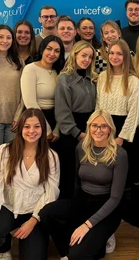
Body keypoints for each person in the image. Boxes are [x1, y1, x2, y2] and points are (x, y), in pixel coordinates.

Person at [39, 110, 128, 259]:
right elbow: (77, 182)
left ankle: (96, 239)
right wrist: (76, 218)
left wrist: (87, 225)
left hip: (107, 206)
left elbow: (115, 198)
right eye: (94, 125)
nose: (98, 130)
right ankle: (66, 253)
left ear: (110, 129)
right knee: (46, 213)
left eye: (103, 126)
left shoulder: (120, 154)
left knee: (80, 254)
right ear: (89, 127)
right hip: (83, 201)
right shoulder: (81, 147)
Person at [0, 108, 60, 260]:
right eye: (27, 126)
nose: (31, 131)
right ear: (20, 127)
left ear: (43, 128)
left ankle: (30, 239)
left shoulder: (51, 157)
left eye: (37, 126)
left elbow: (51, 193)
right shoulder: (4, 151)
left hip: (34, 212)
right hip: (9, 207)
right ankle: (6, 245)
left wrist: (33, 221)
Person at [96, 39, 139, 227]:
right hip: (106, 127)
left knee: (128, 175)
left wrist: (121, 137)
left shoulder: (132, 80)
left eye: (119, 54)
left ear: (125, 57)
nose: (115, 57)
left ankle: (128, 213)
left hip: (126, 131)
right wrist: (100, 131)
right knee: (107, 175)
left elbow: (135, 111)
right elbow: (98, 106)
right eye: (112, 53)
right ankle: (108, 213)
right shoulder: (102, 77)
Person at [55, 40, 98, 199]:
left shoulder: (93, 79)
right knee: (70, 172)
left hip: (90, 129)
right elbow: (62, 111)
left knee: (86, 172)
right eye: (83, 55)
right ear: (75, 55)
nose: (86, 59)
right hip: (72, 131)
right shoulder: (64, 79)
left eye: (90, 57)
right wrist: (78, 133)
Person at [20, 35, 66, 144]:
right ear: (42, 49)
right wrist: (46, 129)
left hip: (57, 120)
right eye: (49, 49)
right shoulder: (30, 69)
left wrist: (57, 129)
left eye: (57, 51)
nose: (52, 53)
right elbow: (30, 102)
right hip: (36, 120)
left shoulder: (60, 72)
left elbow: (63, 102)